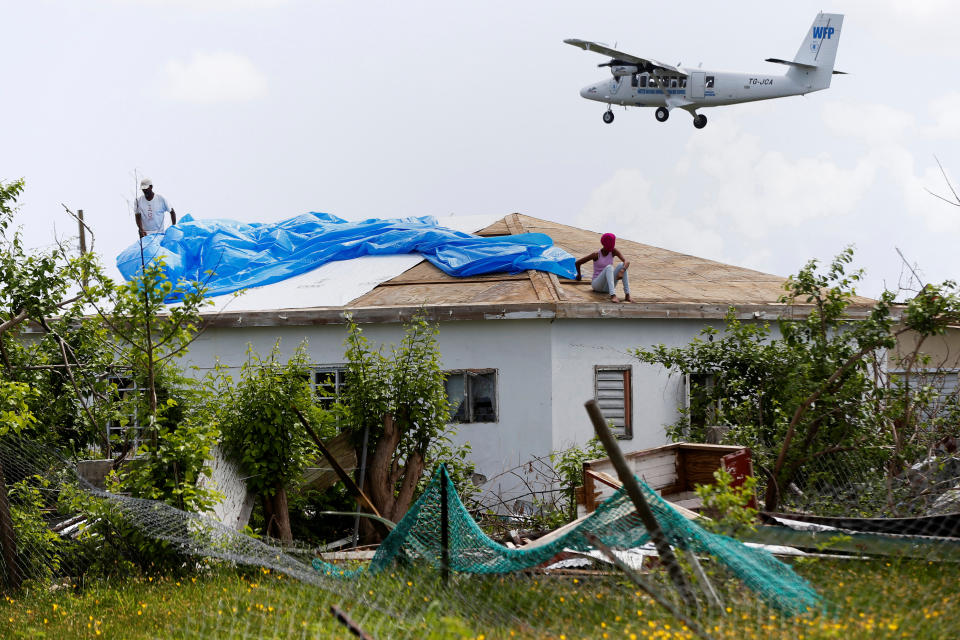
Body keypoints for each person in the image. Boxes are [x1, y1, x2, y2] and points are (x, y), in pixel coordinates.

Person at [574, 232, 632, 303]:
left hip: (607, 287)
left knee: (622, 264)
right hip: (597, 285)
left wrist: (622, 270)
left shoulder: (613, 251)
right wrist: (579, 275)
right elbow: (578, 263)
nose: (610, 248)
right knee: (609, 267)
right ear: (604, 244)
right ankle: (613, 295)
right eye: (609, 247)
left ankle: (627, 295)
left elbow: (627, 261)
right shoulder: (596, 254)